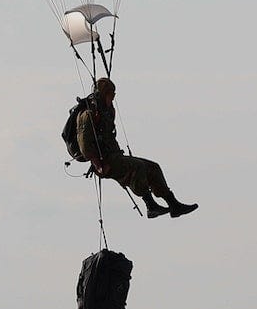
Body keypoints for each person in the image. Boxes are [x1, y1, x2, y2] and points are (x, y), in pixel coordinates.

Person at [76, 77, 197, 218]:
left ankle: (173, 204)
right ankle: (150, 206)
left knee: (153, 167)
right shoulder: (89, 115)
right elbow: (85, 146)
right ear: (104, 94)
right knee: (137, 167)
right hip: (104, 162)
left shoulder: (107, 112)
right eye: (111, 94)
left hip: (115, 157)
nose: (113, 97)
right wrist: (98, 165)